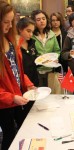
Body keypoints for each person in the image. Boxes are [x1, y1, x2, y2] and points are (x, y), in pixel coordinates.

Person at [0, 1, 35, 150]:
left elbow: (18, 71)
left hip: (18, 97)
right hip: (5, 102)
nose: (9, 26)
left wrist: (28, 83)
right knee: (10, 135)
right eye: (5, 22)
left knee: (25, 129)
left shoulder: (11, 40)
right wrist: (11, 97)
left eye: (11, 21)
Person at [31, 10, 60, 87]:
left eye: (43, 19)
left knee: (50, 94)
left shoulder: (51, 34)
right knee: (39, 94)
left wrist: (56, 58)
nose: (42, 21)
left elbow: (57, 50)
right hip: (37, 71)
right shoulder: (31, 36)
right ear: (34, 22)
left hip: (50, 70)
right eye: (38, 19)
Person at [17, 17, 39, 86]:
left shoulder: (31, 43)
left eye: (32, 32)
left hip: (34, 80)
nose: (31, 34)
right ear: (20, 29)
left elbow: (35, 60)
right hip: (23, 83)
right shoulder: (16, 47)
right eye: (28, 31)